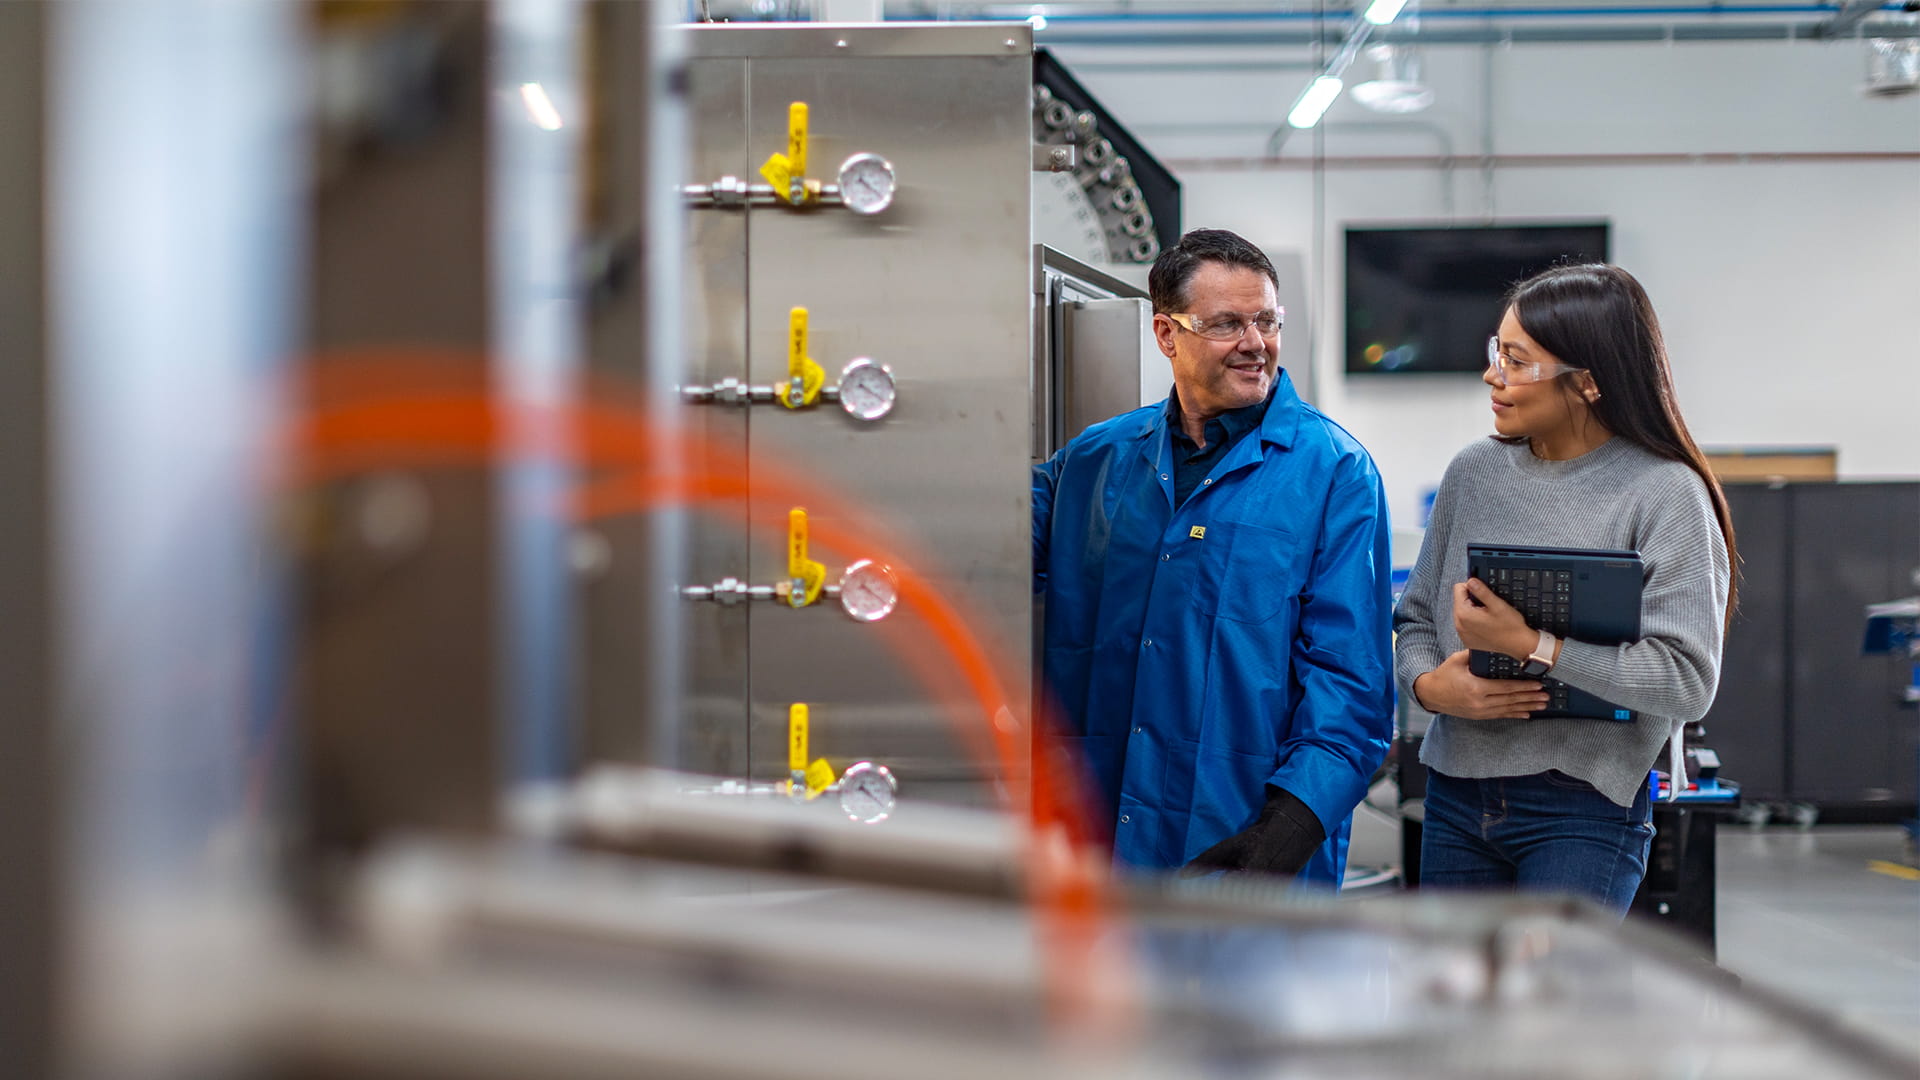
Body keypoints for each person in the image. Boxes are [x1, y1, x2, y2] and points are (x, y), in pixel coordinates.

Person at [1031, 228, 1394, 887]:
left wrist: (1289, 827)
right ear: (1166, 334)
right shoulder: (1094, 461)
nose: (1256, 343)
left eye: (1267, 321)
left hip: (1244, 843)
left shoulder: (1334, 473)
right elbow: (976, 545)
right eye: (1227, 324)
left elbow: (1352, 683)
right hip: (1095, 839)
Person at [1393, 263, 1735, 915]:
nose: (1492, 375)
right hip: (1456, 793)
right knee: (1455, 987)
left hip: (1585, 809)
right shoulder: (1473, 473)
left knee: (1549, 986)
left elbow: (1687, 682)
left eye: (1517, 361)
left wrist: (1533, 645)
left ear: (1587, 382)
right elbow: (1413, 622)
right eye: (1496, 352)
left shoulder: (1665, 494)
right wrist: (1430, 688)